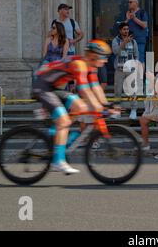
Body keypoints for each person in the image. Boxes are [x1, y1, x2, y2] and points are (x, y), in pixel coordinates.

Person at [33, 40, 113, 174]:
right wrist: (98, 107)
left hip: (54, 88)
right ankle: (57, 161)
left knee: (80, 107)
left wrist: (106, 105)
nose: (105, 61)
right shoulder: (80, 64)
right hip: (42, 86)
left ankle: (58, 134)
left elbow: (96, 88)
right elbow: (85, 91)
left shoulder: (91, 67)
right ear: (94, 55)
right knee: (64, 120)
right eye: (104, 57)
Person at [112, 22, 140, 120]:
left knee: (132, 91)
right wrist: (124, 42)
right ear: (120, 30)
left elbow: (136, 55)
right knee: (118, 92)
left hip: (131, 70)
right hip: (119, 70)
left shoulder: (133, 41)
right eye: (124, 29)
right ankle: (117, 111)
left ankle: (133, 110)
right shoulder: (115, 40)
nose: (126, 31)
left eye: (127, 29)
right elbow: (116, 52)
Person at [125, 0, 148, 64]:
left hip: (139, 41)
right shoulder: (128, 13)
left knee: (140, 60)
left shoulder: (142, 12)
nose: (129, 4)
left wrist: (134, 18)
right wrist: (127, 19)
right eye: (128, 2)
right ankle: (132, 74)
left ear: (136, 3)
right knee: (130, 60)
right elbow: (124, 26)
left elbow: (144, 25)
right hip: (129, 40)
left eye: (130, 2)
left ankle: (140, 74)